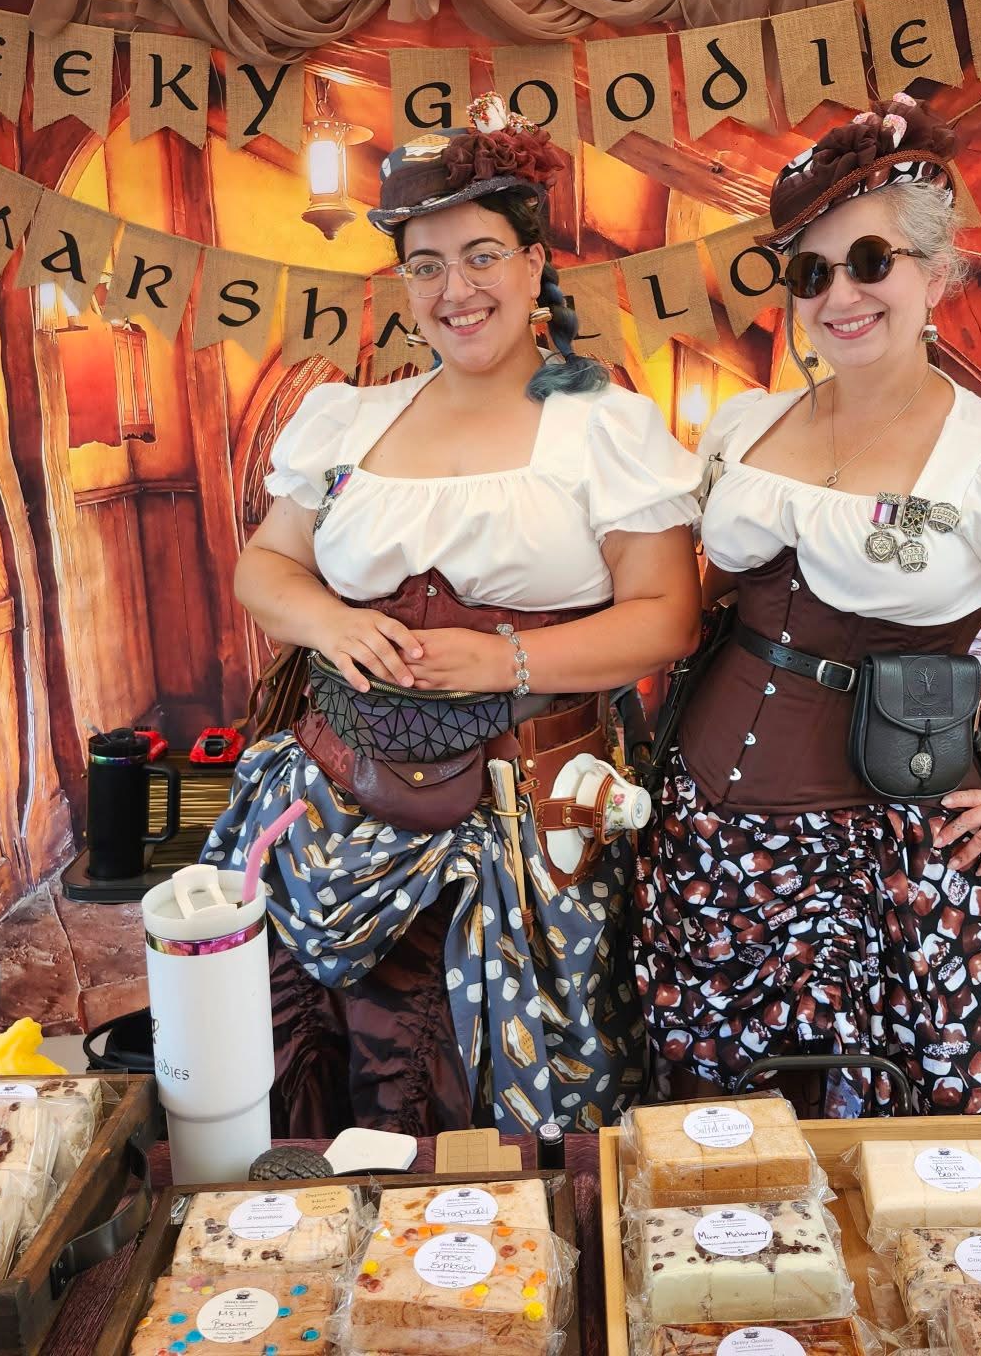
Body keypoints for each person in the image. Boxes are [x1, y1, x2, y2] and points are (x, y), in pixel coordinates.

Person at [635, 96, 981, 1116]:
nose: (838, 293)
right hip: (709, 844)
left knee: (884, 1139)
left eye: (869, 261)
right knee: (721, 1136)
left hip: (889, 864)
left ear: (934, 274)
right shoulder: (746, 427)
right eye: (811, 273)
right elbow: (703, 611)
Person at [206, 95, 702, 1138]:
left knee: (479, 1102)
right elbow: (266, 567)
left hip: (520, 822)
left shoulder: (603, 427)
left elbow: (667, 618)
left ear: (534, 265)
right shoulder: (352, 418)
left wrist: (503, 658)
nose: (455, 290)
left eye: (481, 257)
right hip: (330, 805)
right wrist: (330, 623)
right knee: (318, 1077)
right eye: (425, 266)